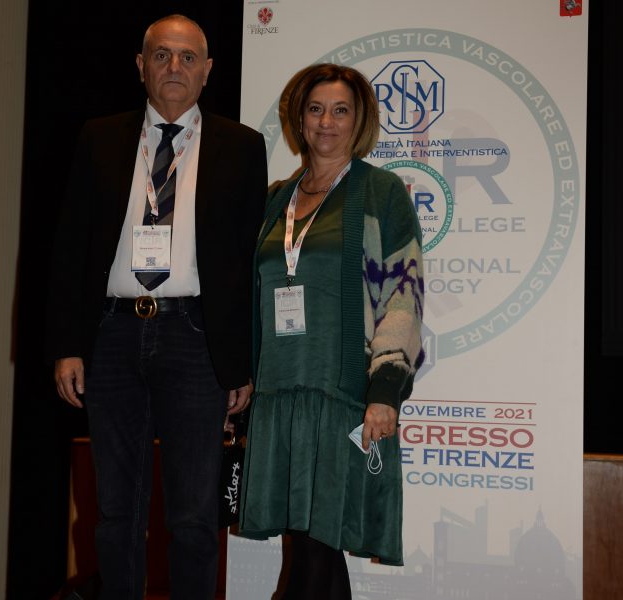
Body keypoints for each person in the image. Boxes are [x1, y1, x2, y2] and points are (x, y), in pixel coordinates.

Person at [46, 14, 267, 600]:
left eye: (188, 57)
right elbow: (69, 246)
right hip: (111, 336)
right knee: (116, 511)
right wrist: (67, 344)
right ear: (141, 66)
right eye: (162, 55)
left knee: (193, 515)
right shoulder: (99, 137)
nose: (175, 67)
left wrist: (239, 363)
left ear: (207, 70)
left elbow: (247, 263)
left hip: (196, 338)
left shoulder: (243, 147)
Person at [237, 63, 424, 599]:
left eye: (340, 111)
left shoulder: (381, 192)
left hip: (343, 393)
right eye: (316, 109)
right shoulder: (276, 199)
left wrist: (385, 390)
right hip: (278, 394)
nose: (326, 122)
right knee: (308, 546)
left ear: (358, 120)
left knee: (317, 547)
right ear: (300, 120)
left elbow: (403, 293)